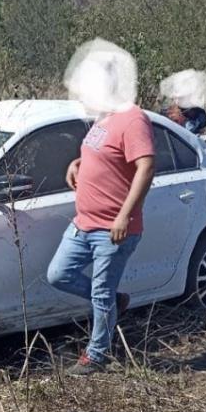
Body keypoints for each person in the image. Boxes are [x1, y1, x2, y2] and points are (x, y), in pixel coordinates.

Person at [46, 100, 155, 376]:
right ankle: (113, 303)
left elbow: (146, 167)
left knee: (101, 291)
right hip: (84, 223)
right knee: (59, 274)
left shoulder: (133, 119)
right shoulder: (104, 117)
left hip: (112, 229)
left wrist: (124, 216)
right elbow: (106, 155)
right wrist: (77, 163)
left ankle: (97, 355)